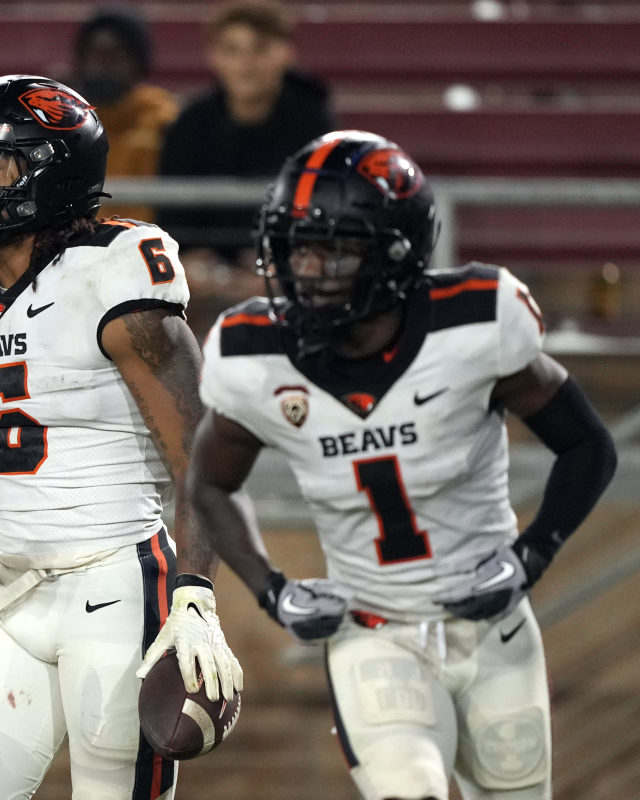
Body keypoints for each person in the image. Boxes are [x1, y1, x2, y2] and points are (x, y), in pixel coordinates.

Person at [188, 130, 617, 800]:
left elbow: (589, 445)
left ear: (395, 250)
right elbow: (210, 483)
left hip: (491, 625)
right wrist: (271, 590)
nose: (308, 270)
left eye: (334, 248)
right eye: (297, 246)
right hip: (373, 630)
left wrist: (531, 555)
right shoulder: (254, 357)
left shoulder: (476, 326)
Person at [0, 74, 244, 799]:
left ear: (52, 174)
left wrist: (195, 594)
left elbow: (203, 451)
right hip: (11, 589)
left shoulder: (114, 269)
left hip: (116, 585)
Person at [158, 0, 336, 334]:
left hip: (294, 288)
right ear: (213, 55)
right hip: (205, 289)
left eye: (260, 49)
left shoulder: (314, 125)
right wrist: (189, 266)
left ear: (286, 52)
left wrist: (284, 271)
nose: (245, 64)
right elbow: (172, 222)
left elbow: (325, 221)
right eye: (232, 50)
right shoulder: (189, 126)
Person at [68, 6, 178, 222]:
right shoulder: (63, 123)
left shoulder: (163, 119)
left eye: (114, 55)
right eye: (94, 54)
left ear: (138, 63)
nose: (101, 65)